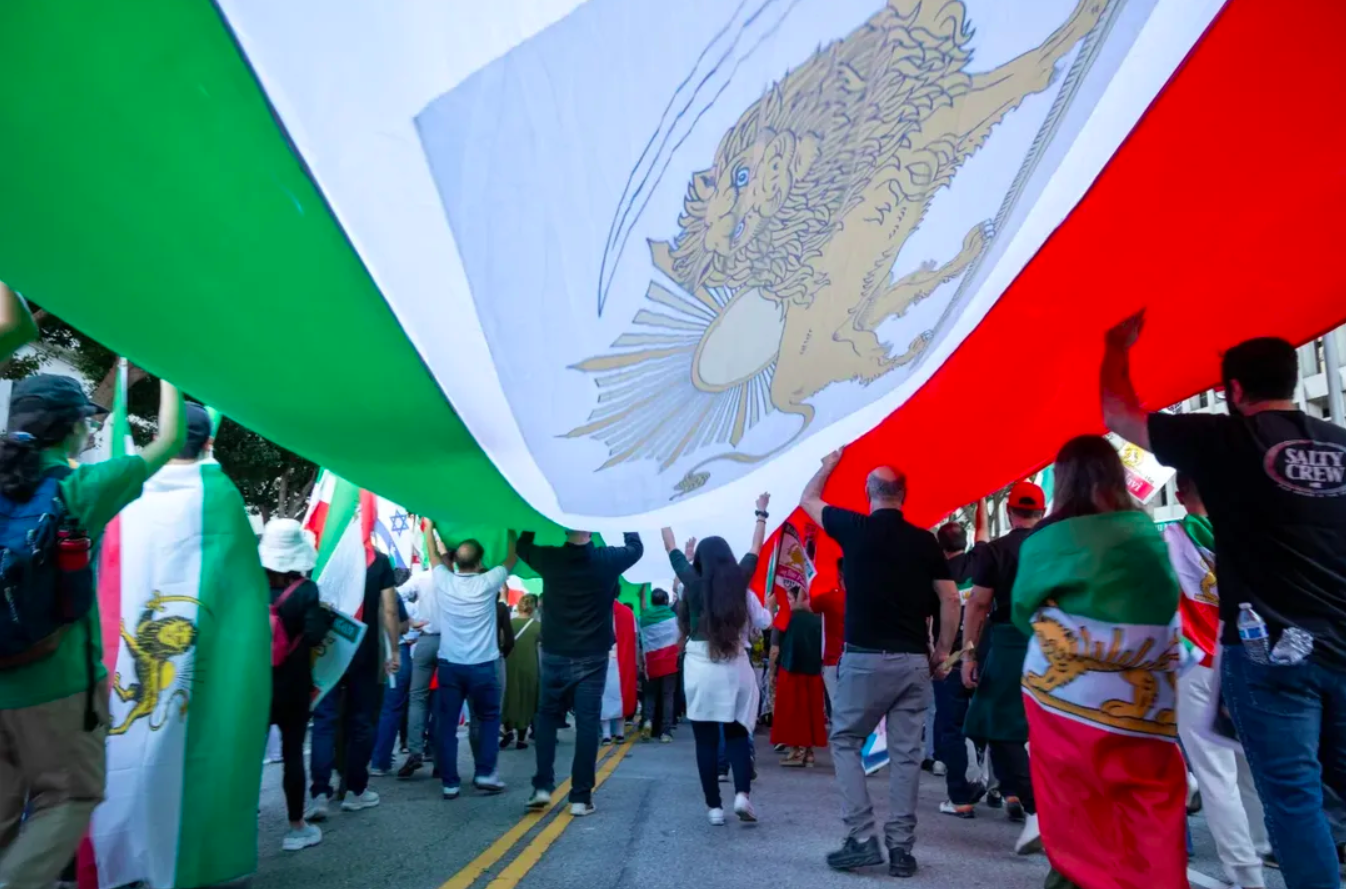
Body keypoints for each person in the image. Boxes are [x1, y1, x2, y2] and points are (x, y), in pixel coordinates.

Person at [1103, 315, 1346, 889]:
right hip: (1341, 643)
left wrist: (1116, 347)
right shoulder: (1340, 444)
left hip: (1267, 655)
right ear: (1291, 379)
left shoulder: (1221, 439)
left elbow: (1119, 415)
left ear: (1234, 390)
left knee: (1293, 797)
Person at [0, 287, 186, 889]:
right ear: (74, 431)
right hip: (59, 684)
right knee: (69, 797)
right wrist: (172, 369)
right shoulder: (82, 490)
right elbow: (165, 442)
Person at [1012, 435, 1186, 889]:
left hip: (1066, 697)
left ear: (1063, 481)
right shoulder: (1145, 533)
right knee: (1147, 802)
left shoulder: (1045, 541)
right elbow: (1165, 600)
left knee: (1074, 801)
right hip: (1144, 697)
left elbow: (1023, 611)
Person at [800, 450, 960, 879]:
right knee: (906, 756)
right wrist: (942, 651)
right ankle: (901, 850)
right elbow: (950, 597)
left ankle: (861, 838)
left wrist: (829, 464)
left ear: (868, 493)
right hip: (913, 662)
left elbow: (807, 499)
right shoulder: (926, 542)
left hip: (865, 660)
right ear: (904, 495)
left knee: (846, 740)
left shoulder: (854, 528)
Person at [1165, 473, 1269, 889]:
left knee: (1214, 773)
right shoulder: (1250, 534)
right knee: (1251, 763)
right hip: (1249, 660)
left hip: (1197, 664)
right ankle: (1264, 843)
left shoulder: (1170, 539)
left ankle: (1244, 870)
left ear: (1179, 495)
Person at [662, 492, 772, 826]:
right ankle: (742, 795)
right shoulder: (741, 583)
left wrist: (660, 515)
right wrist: (761, 513)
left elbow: (671, 549)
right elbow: (755, 548)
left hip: (699, 669)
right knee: (737, 735)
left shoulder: (692, 585)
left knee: (706, 742)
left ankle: (714, 808)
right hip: (736, 668)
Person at [517, 528, 643, 817]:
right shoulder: (607, 559)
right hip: (592, 656)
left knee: (547, 718)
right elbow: (636, 548)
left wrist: (531, 524)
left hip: (555, 651)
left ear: (563, 527)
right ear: (591, 528)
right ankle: (580, 797)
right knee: (587, 724)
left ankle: (542, 786)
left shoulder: (549, 558)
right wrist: (627, 522)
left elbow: (523, 547)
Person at [960, 481, 1045, 854]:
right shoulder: (1058, 546)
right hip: (1058, 641)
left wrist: (969, 654)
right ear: (1042, 512)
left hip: (1011, 642)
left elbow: (978, 604)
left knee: (996, 723)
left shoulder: (996, 550)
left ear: (1010, 512)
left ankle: (1035, 808)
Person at [306, 545, 401, 818]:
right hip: (364, 651)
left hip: (328, 650)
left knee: (324, 722)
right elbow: (390, 610)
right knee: (362, 721)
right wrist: (394, 650)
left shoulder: (322, 551)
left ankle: (320, 794)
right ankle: (355, 791)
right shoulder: (378, 560)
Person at [426, 527, 517, 798]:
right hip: (483, 665)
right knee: (488, 718)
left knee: (447, 724)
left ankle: (450, 783)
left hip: (450, 665)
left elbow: (433, 555)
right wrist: (511, 531)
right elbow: (511, 559)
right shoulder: (488, 581)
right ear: (479, 563)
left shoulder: (443, 580)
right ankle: (485, 773)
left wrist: (428, 527)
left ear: (455, 562)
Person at [260, 519, 334, 852]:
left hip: (256, 685)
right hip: (293, 686)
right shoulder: (306, 590)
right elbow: (315, 635)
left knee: (249, 755)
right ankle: (296, 827)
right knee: (292, 754)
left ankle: (239, 821)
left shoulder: (252, 585)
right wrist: (325, 617)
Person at [934, 499, 989, 818]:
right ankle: (1000, 788)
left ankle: (960, 797)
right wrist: (981, 498)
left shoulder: (936, 573)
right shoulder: (979, 560)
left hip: (951, 660)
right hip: (982, 655)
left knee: (951, 728)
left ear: (941, 548)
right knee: (987, 722)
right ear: (965, 543)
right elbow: (983, 530)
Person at [770, 583, 826, 768]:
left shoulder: (787, 616)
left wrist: (773, 671)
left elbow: (776, 646)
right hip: (814, 669)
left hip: (791, 667)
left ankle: (797, 751)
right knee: (810, 710)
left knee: (793, 711)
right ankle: (808, 752)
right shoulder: (819, 618)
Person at [371, 568, 420, 777]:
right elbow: (402, 626)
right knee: (391, 709)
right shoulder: (393, 595)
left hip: (367, 654)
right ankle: (380, 761)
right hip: (393, 652)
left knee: (368, 709)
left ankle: (363, 759)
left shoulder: (357, 590)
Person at [396, 561, 440, 779]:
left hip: (427, 639)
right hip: (453, 642)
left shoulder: (423, 577)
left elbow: (395, 595)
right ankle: (440, 756)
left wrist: (410, 620)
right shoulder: (458, 577)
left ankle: (415, 751)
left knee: (417, 698)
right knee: (445, 700)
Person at [468, 586, 516, 763]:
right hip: (494, 658)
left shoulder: (468, 606)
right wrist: (502, 654)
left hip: (470, 659)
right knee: (493, 712)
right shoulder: (500, 608)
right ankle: (487, 764)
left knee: (475, 717)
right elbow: (509, 640)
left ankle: (478, 760)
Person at [637, 587, 679, 743]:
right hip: (669, 663)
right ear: (666, 601)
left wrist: (642, 593)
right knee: (668, 697)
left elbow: (641, 641)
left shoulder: (644, 618)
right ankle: (665, 732)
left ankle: (648, 721)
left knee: (650, 695)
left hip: (651, 663)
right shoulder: (673, 618)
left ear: (652, 601)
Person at [808, 559, 846, 724]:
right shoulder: (863, 599)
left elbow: (807, 604)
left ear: (839, 575)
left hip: (833, 660)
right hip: (860, 659)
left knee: (838, 708)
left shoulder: (830, 598)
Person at [501, 594, 541, 749]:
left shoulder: (509, 624)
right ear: (533, 608)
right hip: (529, 666)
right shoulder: (537, 626)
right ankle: (522, 738)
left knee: (509, 697)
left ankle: (507, 730)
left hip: (509, 665)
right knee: (526, 699)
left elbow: (502, 641)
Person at [600, 599, 637, 745]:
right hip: (623, 660)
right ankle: (620, 733)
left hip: (603, 659)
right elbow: (635, 639)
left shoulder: (598, 609)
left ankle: (606, 734)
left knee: (604, 696)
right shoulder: (628, 613)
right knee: (623, 695)